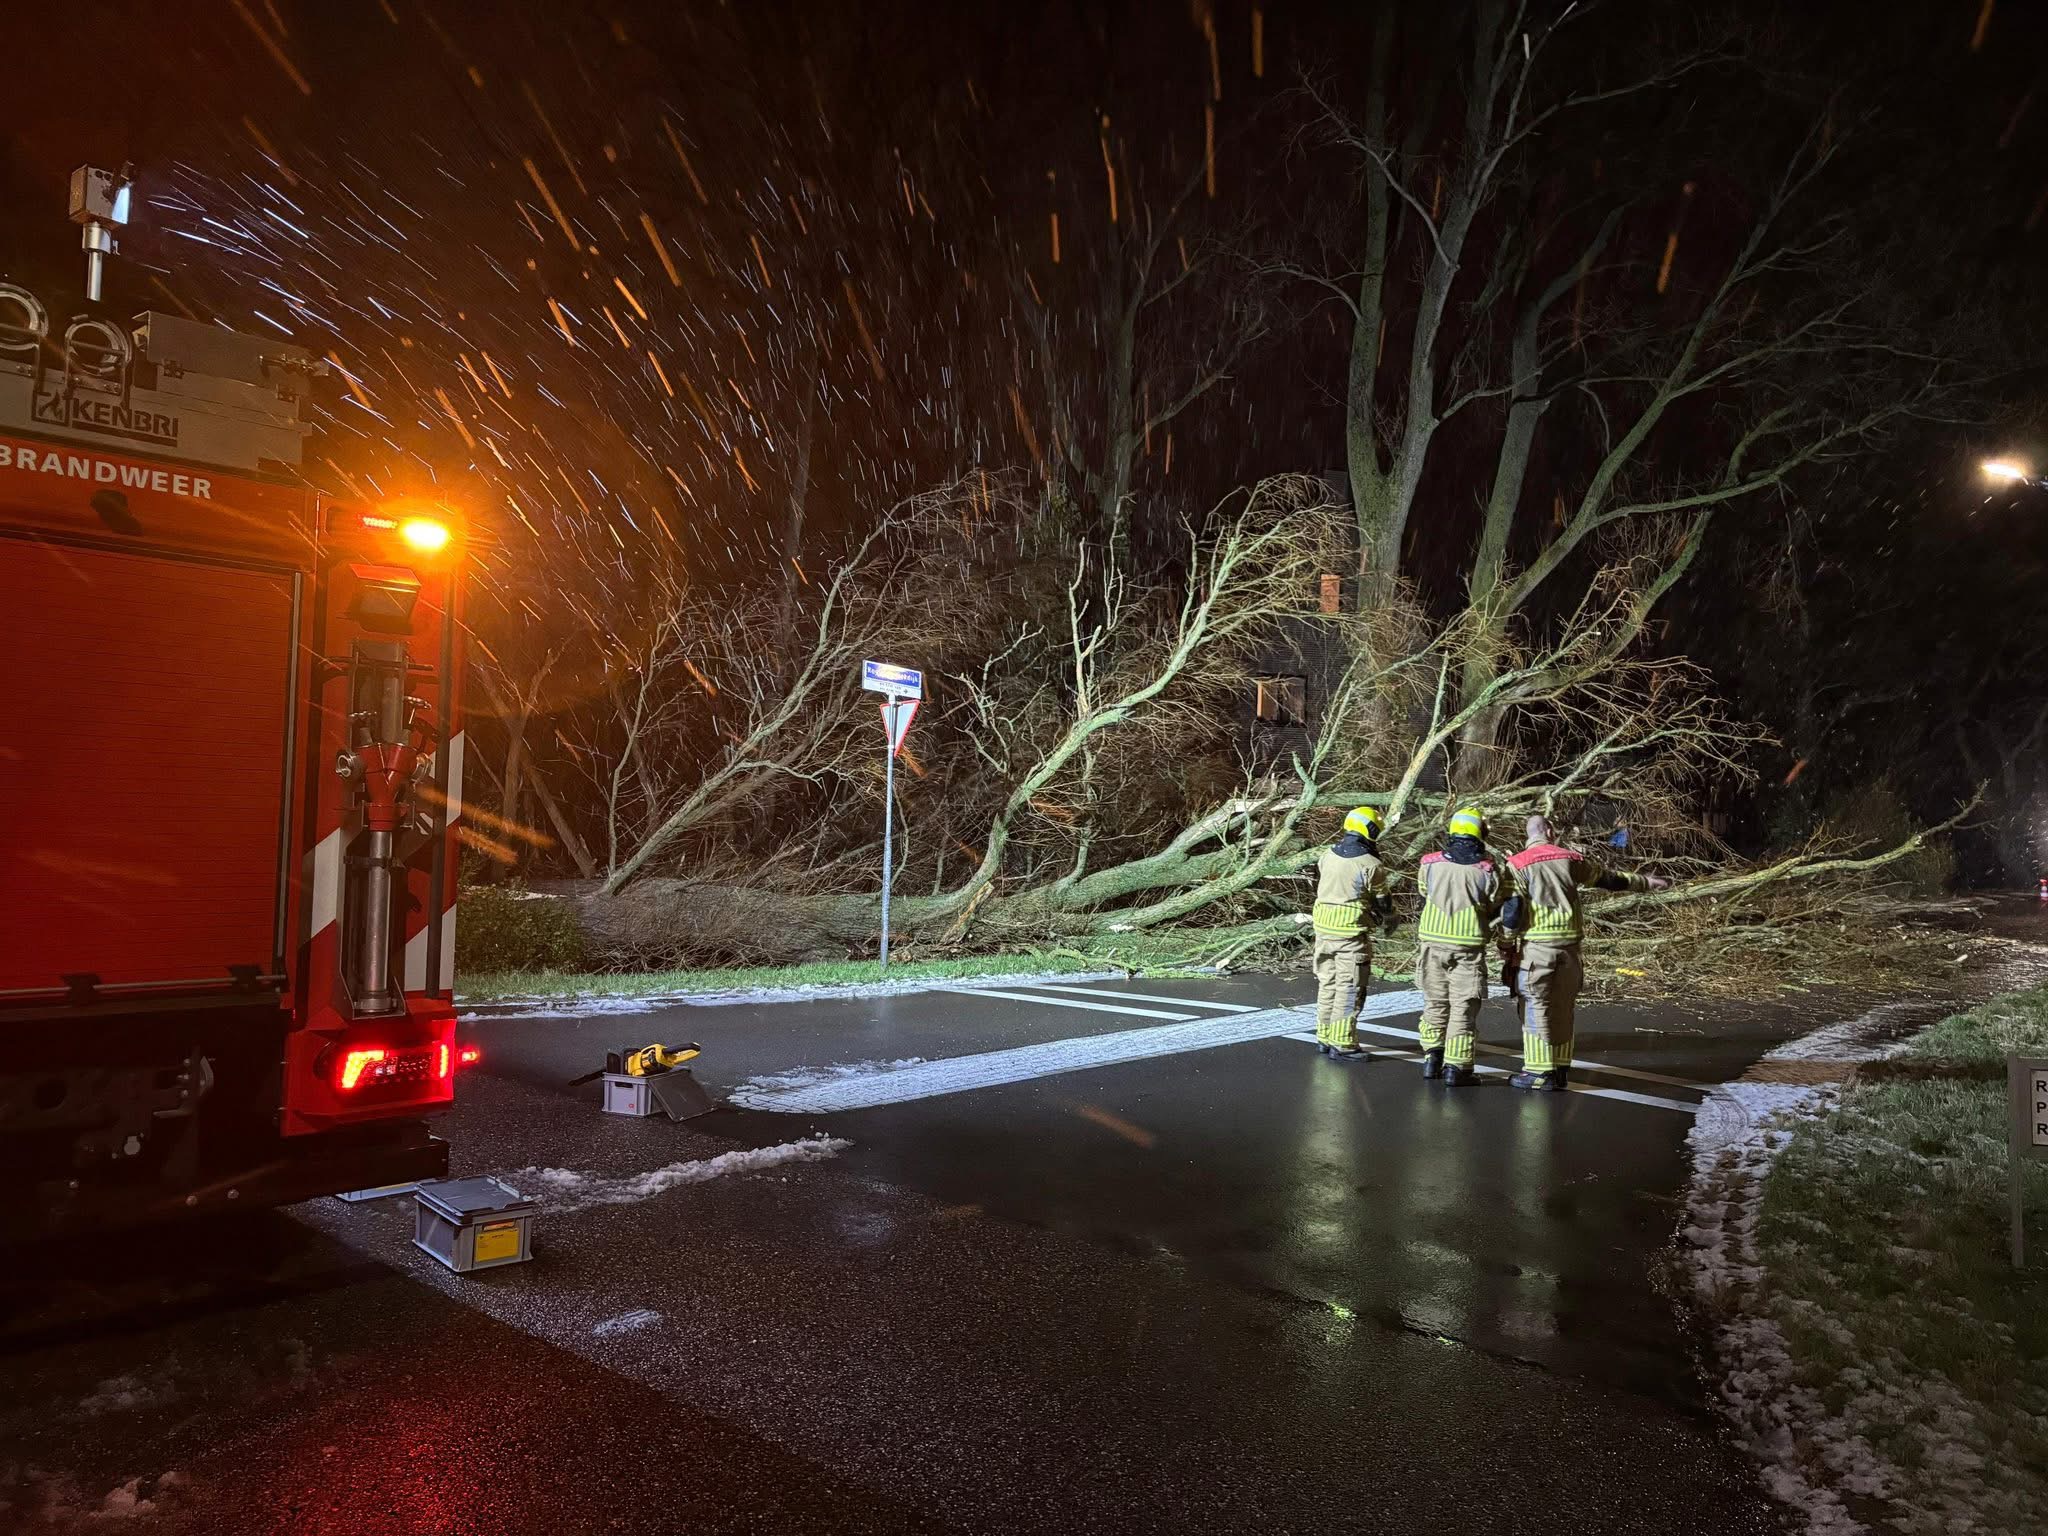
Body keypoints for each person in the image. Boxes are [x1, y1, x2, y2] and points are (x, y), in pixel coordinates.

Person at [1498, 813, 1670, 1091]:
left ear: (1527, 835)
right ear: (1550, 831)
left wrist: (1506, 944)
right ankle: (1560, 1068)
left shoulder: (1517, 864)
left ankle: (1538, 1072)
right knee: (1563, 1006)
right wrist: (1643, 882)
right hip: (1570, 949)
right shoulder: (1570, 859)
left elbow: (1513, 910)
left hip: (1537, 949)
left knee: (1534, 1004)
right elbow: (1608, 879)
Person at [1415, 806, 1509, 1085]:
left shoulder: (1429, 863)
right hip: (1468, 945)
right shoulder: (1488, 869)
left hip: (1432, 942)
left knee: (1435, 1001)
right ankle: (1457, 1068)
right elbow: (1495, 903)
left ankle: (1432, 1057)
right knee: (1463, 1006)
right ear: (1480, 833)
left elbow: (1424, 893)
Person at [1310, 805, 1392, 1060]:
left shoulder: (1327, 855)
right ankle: (1343, 1043)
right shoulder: (1371, 864)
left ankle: (1324, 1036)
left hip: (1323, 931)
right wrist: (1390, 918)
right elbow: (1383, 901)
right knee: (1350, 988)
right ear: (1370, 831)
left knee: (1328, 983)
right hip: (1350, 935)